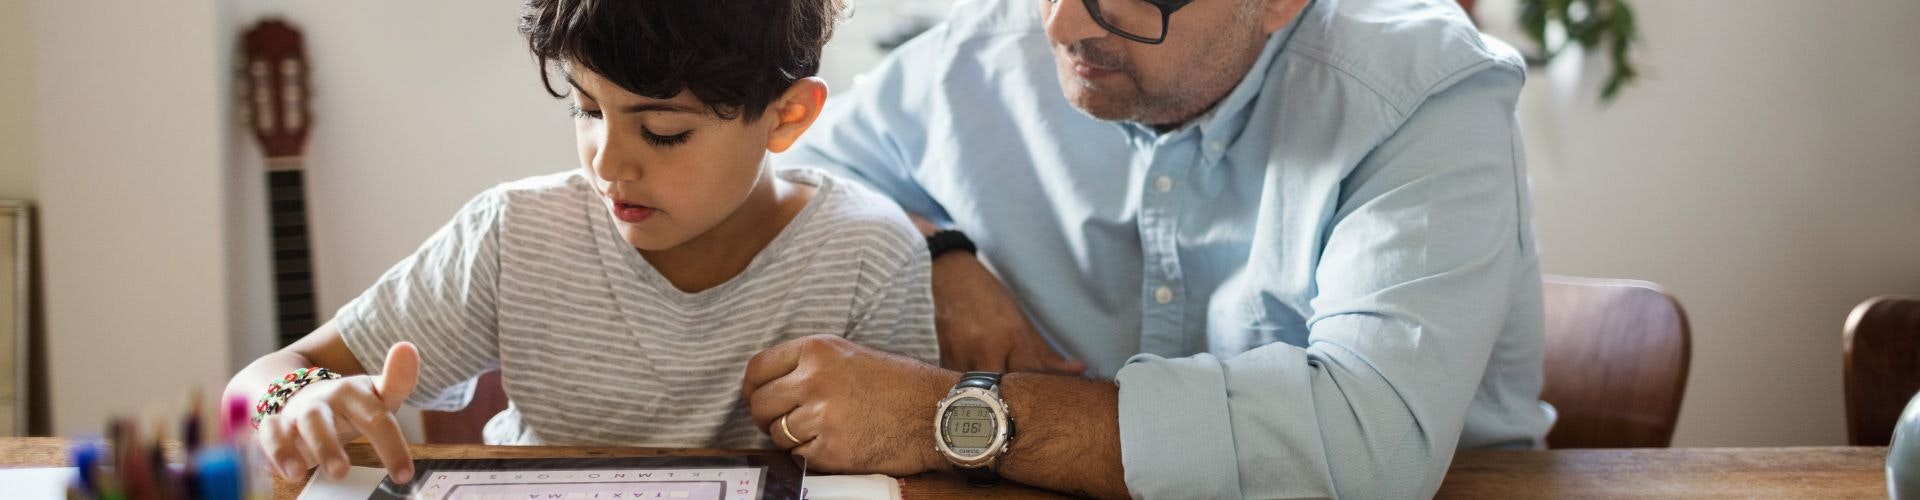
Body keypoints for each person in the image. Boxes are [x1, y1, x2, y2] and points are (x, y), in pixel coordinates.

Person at [747, 0, 1553, 497]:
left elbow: (1363, 446)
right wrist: (941, 255)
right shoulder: (982, 52)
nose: (1063, 25)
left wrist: (939, 416)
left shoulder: (1422, 94)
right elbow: (804, 167)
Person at [221, 0, 939, 485]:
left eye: (663, 132)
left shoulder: (868, 255)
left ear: (787, 117)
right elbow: (272, 373)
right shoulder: (514, 232)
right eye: (587, 108)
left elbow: (908, 469)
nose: (606, 162)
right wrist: (292, 399)